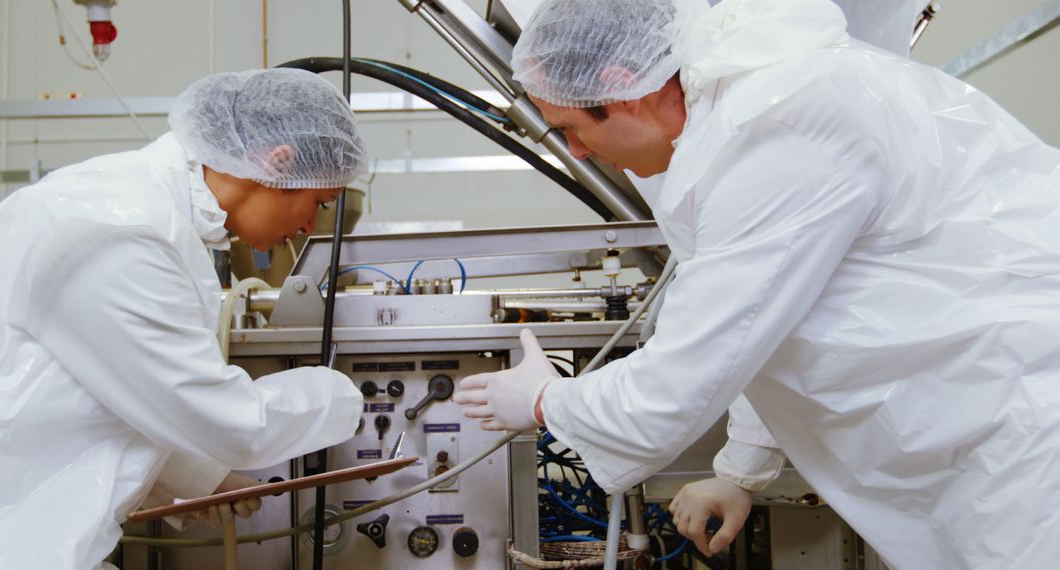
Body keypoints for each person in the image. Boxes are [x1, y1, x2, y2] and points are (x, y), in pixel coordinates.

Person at [452, 0, 1060, 567]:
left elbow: (675, 388)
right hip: (990, 429)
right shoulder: (741, 118)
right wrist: (741, 470)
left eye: (571, 128)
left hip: (1025, 427)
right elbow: (777, 319)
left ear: (621, 88)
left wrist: (542, 400)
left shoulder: (776, 126)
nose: (577, 153)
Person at [0, 68, 367, 569]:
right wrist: (350, 393)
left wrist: (203, 476)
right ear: (278, 162)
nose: (308, 226)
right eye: (318, 202)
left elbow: (109, 396)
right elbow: (228, 422)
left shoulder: (147, 210)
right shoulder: (122, 228)